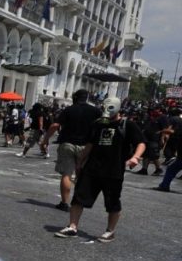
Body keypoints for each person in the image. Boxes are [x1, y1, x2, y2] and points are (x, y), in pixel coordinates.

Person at [54, 97, 145, 242]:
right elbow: (90, 144)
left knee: (112, 202)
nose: (107, 111)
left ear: (117, 108)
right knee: (79, 197)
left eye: (110, 108)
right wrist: (80, 162)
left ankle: (110, 231)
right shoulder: (97, 124)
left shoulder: (128, 125)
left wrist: (135, 157)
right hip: (92, 168)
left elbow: (141, 143)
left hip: (113, 170)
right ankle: (72, 227)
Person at [43, 89, 101, 211]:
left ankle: (64, 203)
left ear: (75, 97)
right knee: (82, 175)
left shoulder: (69, 109)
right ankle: (78, 202)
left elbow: (55, 125)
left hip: (68, 144)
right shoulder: (95, 111)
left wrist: (46, 139)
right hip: (86, 146)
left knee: (67, 174)